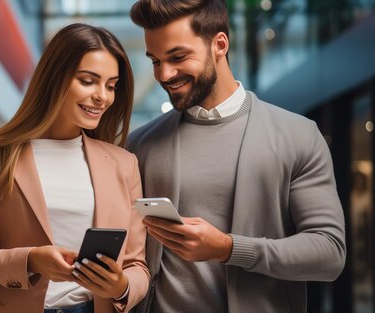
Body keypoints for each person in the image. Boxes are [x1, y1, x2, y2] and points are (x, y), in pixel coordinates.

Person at [125, 1, 346, 313]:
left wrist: (228, 248)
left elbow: (329, 253)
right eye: (155, 61)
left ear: (219, 44)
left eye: (177, 57)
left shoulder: (298, 135)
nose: (165, 74)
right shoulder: (140, 145)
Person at [0, 23, 150, 313]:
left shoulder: (123, 164)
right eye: (88, 81)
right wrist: (30, 260)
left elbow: (136, 265)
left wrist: (121, 286)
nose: (102, 97)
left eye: (111, 86)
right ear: (54, 79)